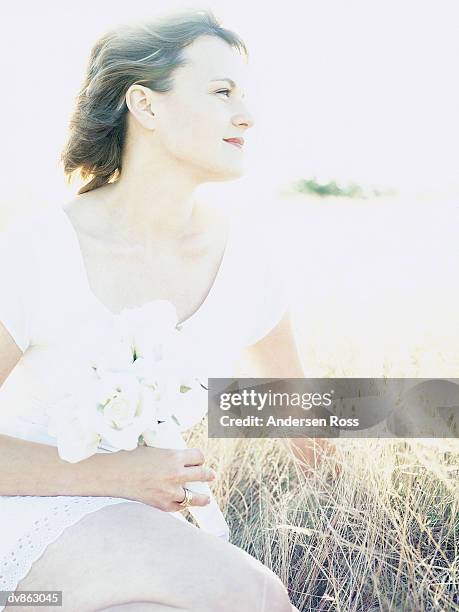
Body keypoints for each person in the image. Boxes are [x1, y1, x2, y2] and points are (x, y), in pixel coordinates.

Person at [0, 8, 329, 611]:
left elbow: (296, 410)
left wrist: (435, 413)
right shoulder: (32, 254)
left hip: (151, 521)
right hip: (23, 525)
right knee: (250, 594)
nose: (247, 115)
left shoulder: (248, 261)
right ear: (145, 106)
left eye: (245, 95)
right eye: (220, 91)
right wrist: (117, 478)